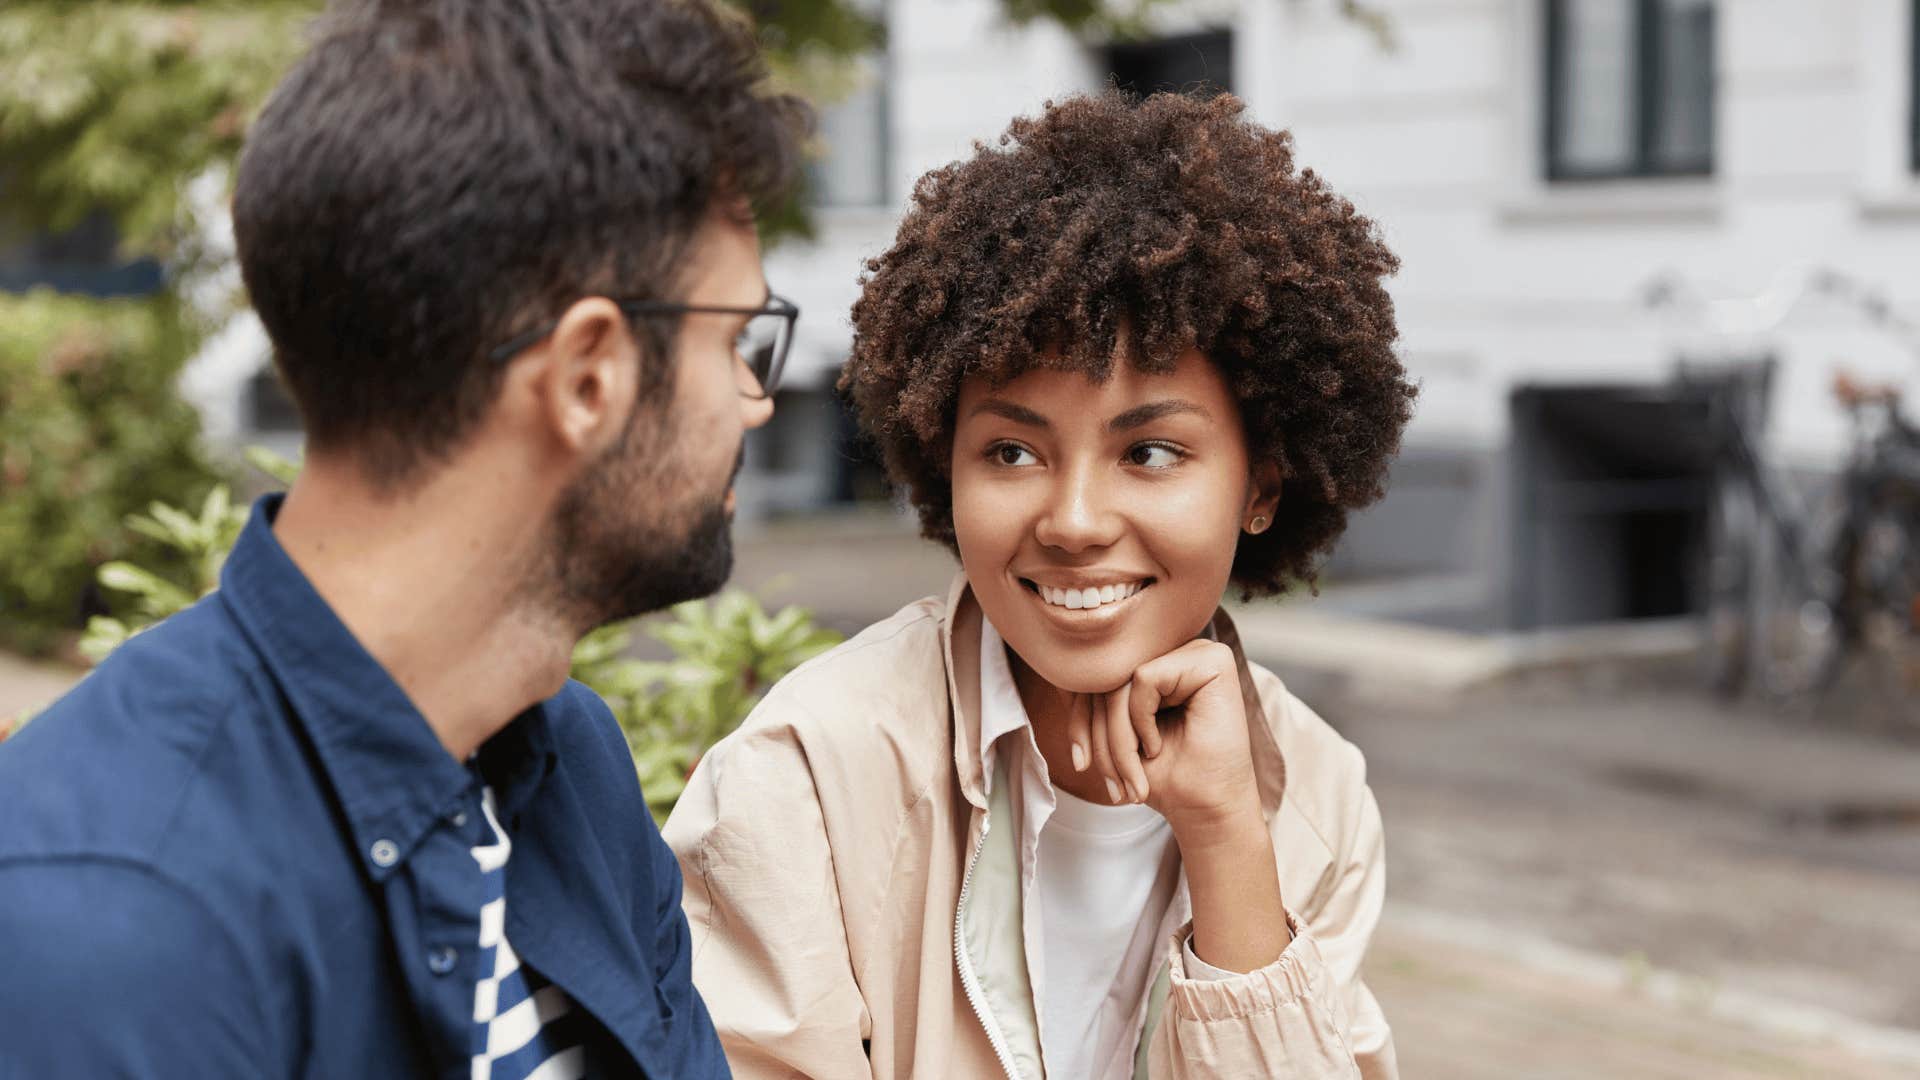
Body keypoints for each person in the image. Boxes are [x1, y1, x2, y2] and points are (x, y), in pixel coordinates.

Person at [0, 0, 808, 1075]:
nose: (754, 400)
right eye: (736, 338)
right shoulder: (111, 920)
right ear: (586, 377)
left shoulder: (572, 760)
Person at [663, 90, 1414, 1079]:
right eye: (1012, 452)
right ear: (944, 463)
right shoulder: (811, 773)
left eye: (1149, 451)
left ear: (1262, 485)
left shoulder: (1319, 796)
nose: (1072, 522)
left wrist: (1229, 841)